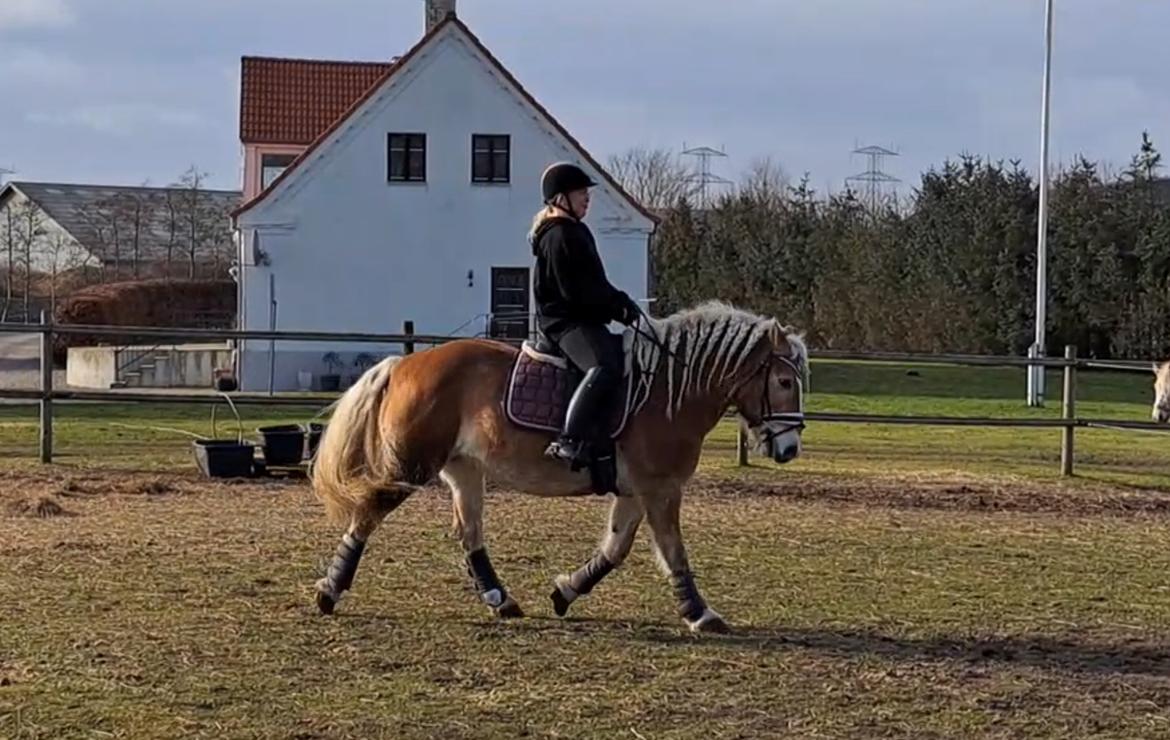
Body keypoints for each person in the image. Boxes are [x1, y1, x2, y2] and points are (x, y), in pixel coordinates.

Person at [528, 162, 640, 490]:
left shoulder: (574, 230)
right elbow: (575, 292)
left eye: (586, 194)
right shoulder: (559, 235)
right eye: (581, 193)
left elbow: (595, 284)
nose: (587, 199)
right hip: (565, 323)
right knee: (605, 366)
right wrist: (614, 307)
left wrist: (620, 302)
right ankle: (569, 439)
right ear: (560, 198)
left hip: (582, 317)